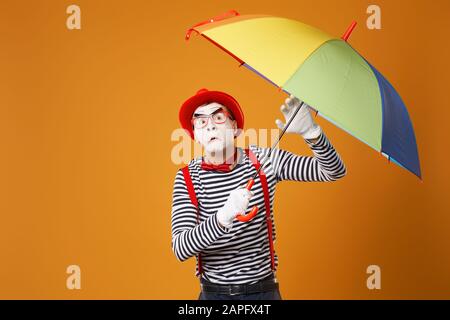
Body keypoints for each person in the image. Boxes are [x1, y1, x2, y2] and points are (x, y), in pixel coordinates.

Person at [171, 88, 347, 300]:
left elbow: (333, 171)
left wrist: (312, 133)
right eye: (201, 122)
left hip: (263, 293)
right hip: (213, 295)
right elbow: (181, 248)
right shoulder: (188, 178)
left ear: (234, 127)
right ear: (195, 136)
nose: (209, 126)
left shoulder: (265, 160)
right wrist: (222, 217)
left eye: (218, 117)